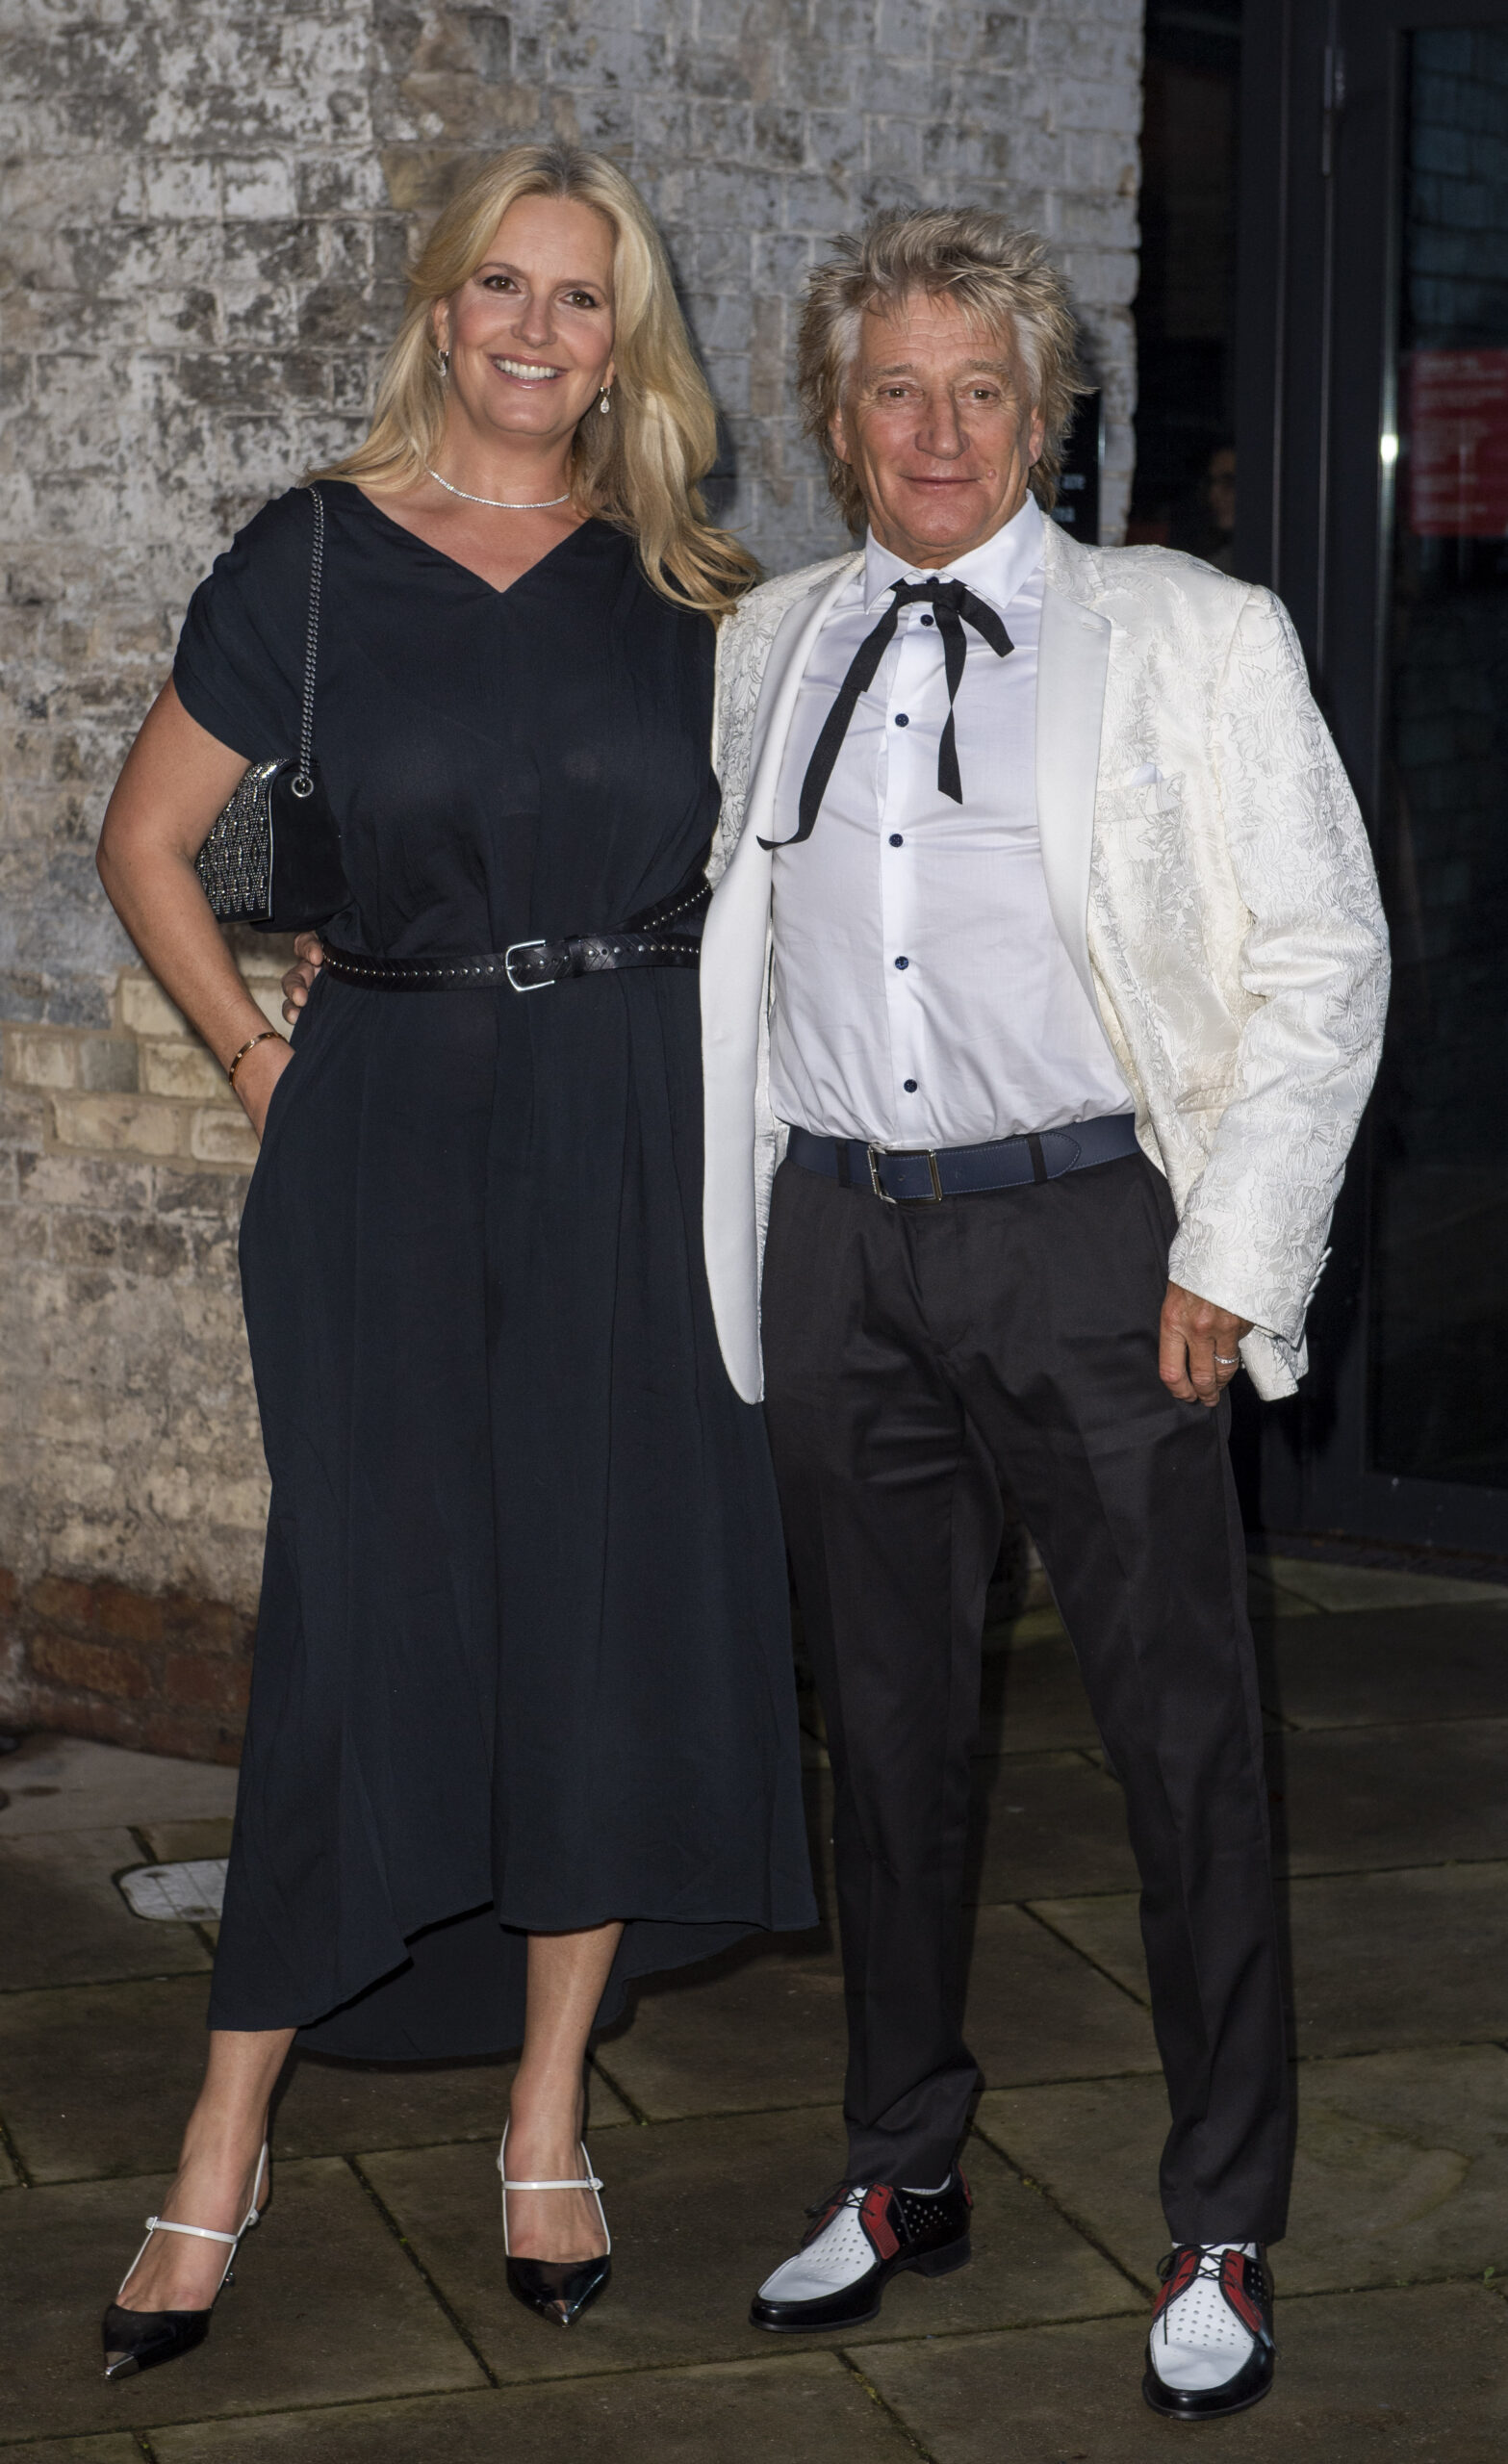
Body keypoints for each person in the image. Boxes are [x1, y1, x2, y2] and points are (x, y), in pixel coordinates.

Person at [91, 142, 814, 2378]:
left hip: (628, 1123)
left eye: (579, 298)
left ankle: (541, 2104)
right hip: (382, 1129)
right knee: (357, 1613)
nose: (532, 329)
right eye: (498, 284)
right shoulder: (304, 557)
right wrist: (251, 1057)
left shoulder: (702, 586)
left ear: (629, 340)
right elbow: (145, 838)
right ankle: (229, 2123)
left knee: (590, 1602)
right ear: (436, 307)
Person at [697, 210, 1389, 2420]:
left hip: (1100, 1248)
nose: (935, 429)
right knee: (884, 1751)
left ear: (1041, 412)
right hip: (843, 1250)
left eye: (978, 390)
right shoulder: (771, 643)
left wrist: (1231, 1248)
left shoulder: (1183, 632)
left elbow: (1321, 960)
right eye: (893, 388)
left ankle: (1218, 2213)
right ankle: (900, 2163)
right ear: (834, 417)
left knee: (1184, 1745)